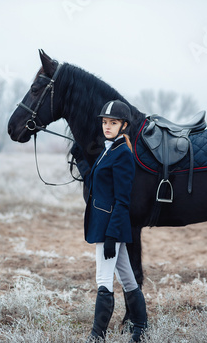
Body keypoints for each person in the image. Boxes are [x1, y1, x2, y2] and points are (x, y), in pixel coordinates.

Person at [71, 100, 147, 342]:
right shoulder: (109, 149)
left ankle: (97, 336)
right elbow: (98, 186)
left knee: (103, 280)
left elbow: (122, 201)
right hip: (104, 226)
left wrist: (112, 235)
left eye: (113, 123)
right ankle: (141, 329)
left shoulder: (123, 154)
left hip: (110, 228)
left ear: (123, 125)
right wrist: (82, 161)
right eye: (105, 122)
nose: (107, 126)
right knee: (127, 277)